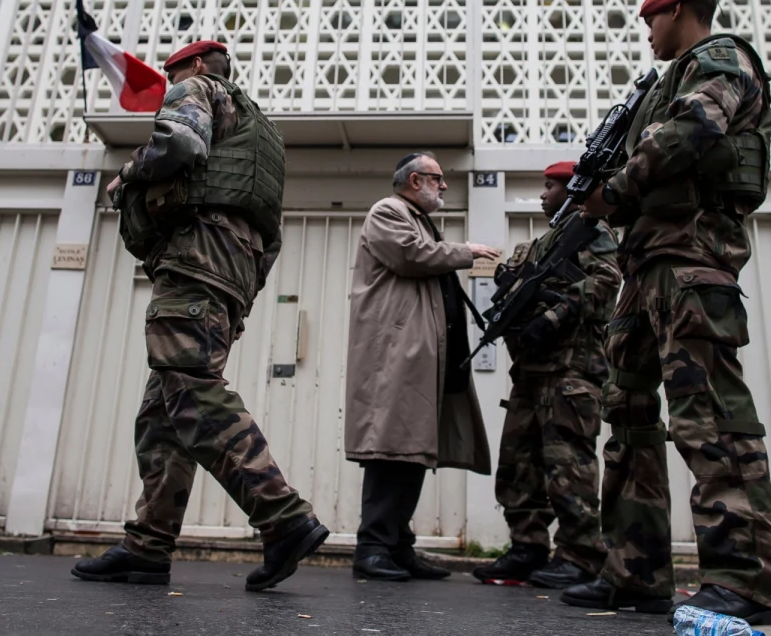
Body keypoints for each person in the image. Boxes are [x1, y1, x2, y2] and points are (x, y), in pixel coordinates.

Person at [559, 0, 771, 625]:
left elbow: (695, 130)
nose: (648, 33)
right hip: (646, 264)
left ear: (679, 10)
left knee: (707, 412)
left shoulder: (719, 59)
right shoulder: (663, 81)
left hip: (691, 260)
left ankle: (744, 578)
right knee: (625, 417)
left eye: (651, 20)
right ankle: (634, 572)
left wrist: (617, 191)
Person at [72, 40, 327, 592]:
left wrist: (128, 174)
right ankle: (147, 547)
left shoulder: (199, 90)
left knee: (189, 390)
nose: (169, 86)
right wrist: (242, 298)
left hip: (195, 260)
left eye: (170, 75)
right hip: (232, 273)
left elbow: (180, 143)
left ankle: (282, 516)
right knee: (161, 410)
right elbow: (272, 232)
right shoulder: (264, 134)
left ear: (189, 67)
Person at [344, 152, 500, 582]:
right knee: (388, 451)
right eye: (438, 178)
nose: (444, 186)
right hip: (396, 357)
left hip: (418, 358)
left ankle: (397, 546)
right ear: (415, 180)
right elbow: (410, 255)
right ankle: (372, 547)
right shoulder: (389, 211)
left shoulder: (416, 217)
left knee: (411, 453)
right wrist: (465, 251)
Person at [472, 162, 622, 590]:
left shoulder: (592, 230)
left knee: (567, 466)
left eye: (550, 185)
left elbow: (606, 282)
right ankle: (528, 546)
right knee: (518, 465)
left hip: (572, 370)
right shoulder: (542, 244)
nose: (542, 193)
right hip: (531, 373)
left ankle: (580, 555)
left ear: (572, 189)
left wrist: (552, 318)